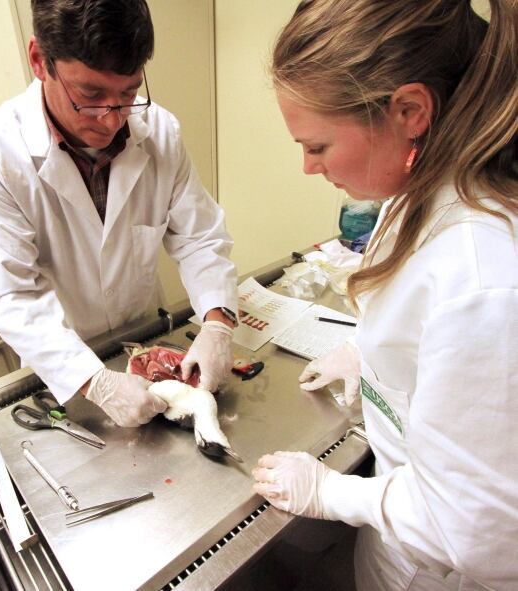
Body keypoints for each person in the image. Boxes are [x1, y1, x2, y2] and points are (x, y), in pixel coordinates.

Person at [251, 1, 517, 590]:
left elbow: (480, 533)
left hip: (439, 571)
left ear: (409, 111)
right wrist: (375, 359)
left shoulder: (483, 275)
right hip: (395, 546)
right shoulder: (416, 188)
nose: (307, 166)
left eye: (317, 146)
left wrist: (331, 491)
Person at [0, 0, 238, 428]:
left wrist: (217, 324)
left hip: (143, 332)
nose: (112, 120)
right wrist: (94, 381)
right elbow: (10, 294)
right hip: (61, 360)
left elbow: (198, 237)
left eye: (128, 93)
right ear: (39, 60)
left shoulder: (161, 132)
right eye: (90, 96)